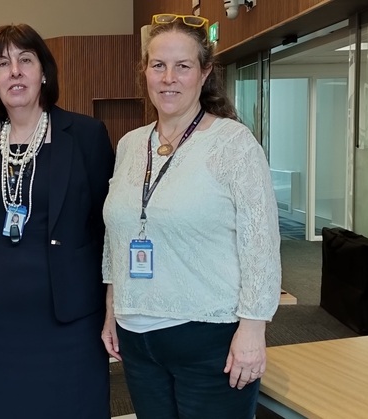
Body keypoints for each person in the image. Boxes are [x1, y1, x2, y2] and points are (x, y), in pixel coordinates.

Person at [101, 14, 281, 419]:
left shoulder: (233, 143)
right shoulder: (130, 144)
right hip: (137, 336)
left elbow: (261, 244)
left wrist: (253, 329)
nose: (169, 78)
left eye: (182, 66)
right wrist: (114, 308)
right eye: (158, 65)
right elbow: (118, 236)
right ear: (145, 71)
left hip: (208, 336)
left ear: (204, 74)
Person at [0, 24, 114, 418]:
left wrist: (114, 303)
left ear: (43, 71)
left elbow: (107, 226)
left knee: (75, 405)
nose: (14, 71)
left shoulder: (85, 134)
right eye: (2, 63)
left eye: (25, 60)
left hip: (70, 306)